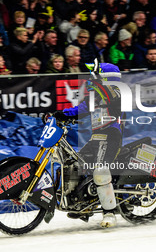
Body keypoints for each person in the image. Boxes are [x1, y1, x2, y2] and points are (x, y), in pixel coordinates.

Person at [48, 60, 124, 228]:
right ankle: (83, 205)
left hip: (111, 136)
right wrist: (61, 114)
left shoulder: (116, 92)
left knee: (100, 171)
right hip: (96, 138)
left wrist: (94, 83)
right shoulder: (96, 96)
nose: (90, 78)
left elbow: (109, 95)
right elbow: (80, 109)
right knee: (75, 165)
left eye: (95, 75)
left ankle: (110, 213)